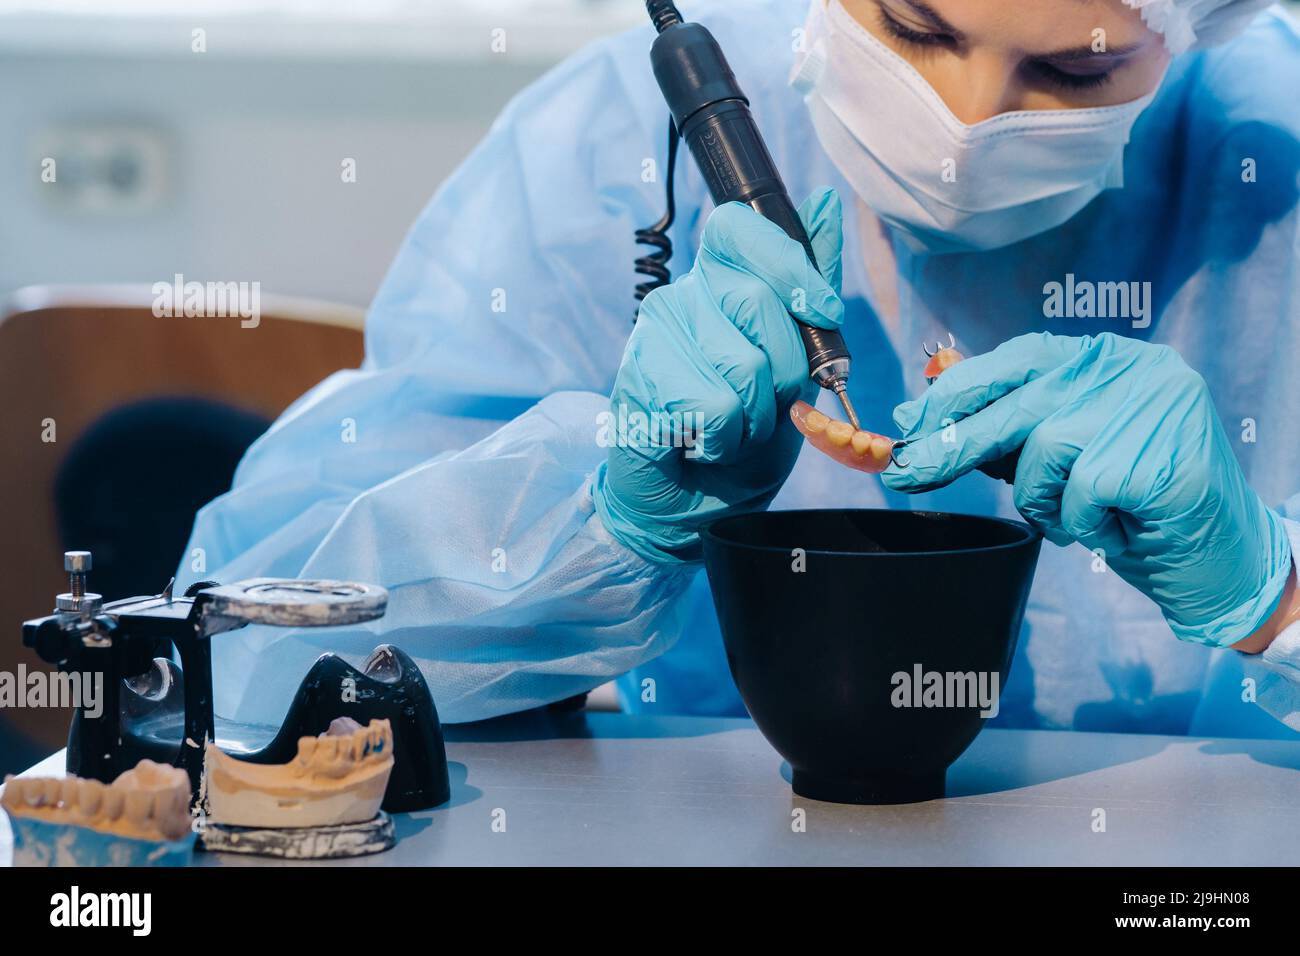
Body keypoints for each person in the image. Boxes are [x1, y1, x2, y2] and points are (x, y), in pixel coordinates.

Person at [180, 0, 1300, 738]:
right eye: (914, 21)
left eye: (1071, 69)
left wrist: (1277, 596)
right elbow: (229, 656)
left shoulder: (1274, 162)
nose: (963, 129)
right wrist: (593, 522)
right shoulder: (613, 147)